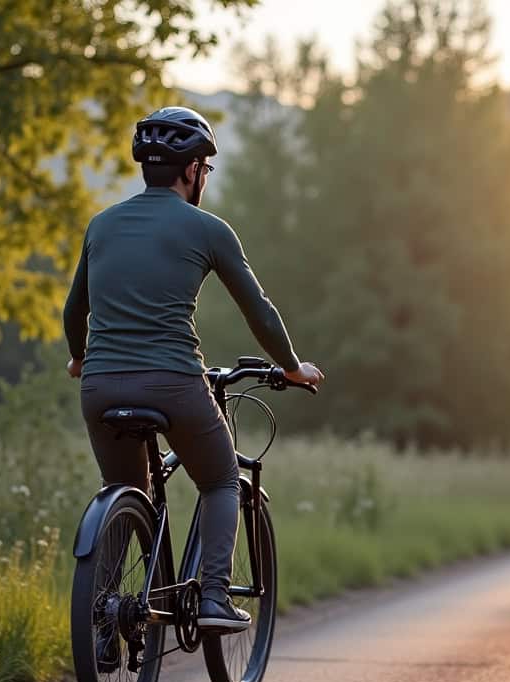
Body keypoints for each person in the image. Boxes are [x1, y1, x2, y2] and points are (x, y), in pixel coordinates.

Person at [63, 106, 323, 635]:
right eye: (205, 167)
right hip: (174, 381)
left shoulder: (101, 224)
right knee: (222, 479)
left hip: (100, 385)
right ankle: (214, 598)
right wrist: (292, 367)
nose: (204, 176)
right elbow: (259, 310)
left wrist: (79, 356)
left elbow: (75, 311)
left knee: (123, 486)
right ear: (191, 170)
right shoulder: (208, 229)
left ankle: (105, 619)